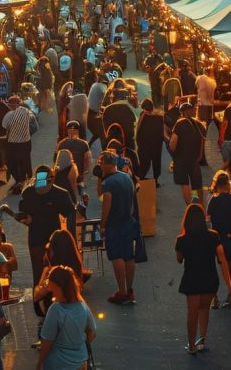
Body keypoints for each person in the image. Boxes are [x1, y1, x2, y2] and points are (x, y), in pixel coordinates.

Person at [176, 203, 231, 355]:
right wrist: (230, 287)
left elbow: (179, 259)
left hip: (192, 278)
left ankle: (191, 345)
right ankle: (202, 339)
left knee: (192, 313)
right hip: (210, 278)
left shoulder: (182, 239)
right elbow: (222, 259)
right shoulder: (213, 236)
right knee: (204, 309)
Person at [14, 165, 77, 285]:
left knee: (54, 275)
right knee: (39, 276)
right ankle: (39, 295)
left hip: (54, 240)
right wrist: (26, 220)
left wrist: (70, 237)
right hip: (37, 240)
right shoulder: (28, 193)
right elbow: (23, 214)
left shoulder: (60, 194)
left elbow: (71, 214)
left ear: (53, 179)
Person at [98, 151, 139, 305]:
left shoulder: (108, 183)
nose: (100, 166)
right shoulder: (126, 178)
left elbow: (106, 205)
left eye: (101, 163)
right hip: (128, 221)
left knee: (117, 256)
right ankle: (130, 290)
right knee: (129, 256)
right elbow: (132, 203)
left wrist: (102, 225)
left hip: (114, 224)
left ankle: (122, 292)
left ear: (107, 165)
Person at [36, 266, 96, 370]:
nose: (53, 294)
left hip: (59, 363)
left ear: (60, 287)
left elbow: (47, 341)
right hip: (81, 362)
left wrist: (40, 362)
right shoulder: (83, 307)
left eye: (53, 290)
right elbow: (93, 331)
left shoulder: (56, 309)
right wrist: (77, 345)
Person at [205, 171, 231, 309]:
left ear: (216, 185)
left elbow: (208, 221)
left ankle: (214, 298)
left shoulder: (212, 201)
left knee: (214, 270)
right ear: (229, 184)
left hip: (217, 240)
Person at [168, 102, 205, 206]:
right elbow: (203, 139)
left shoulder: (179, 123)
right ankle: (201, 205)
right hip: (194, 158)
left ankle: (190, 206)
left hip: (181, 158)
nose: (194, 110)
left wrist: (173, 154)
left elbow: (173, 142)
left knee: (184, 182)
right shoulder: (197, 123)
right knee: (197, 182)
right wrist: (199, 155)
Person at [2, 95, 37, 194]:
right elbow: (33, 122)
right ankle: (27, 179)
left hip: (13, 143)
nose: (9, 107)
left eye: (9, 105)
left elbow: (4, 125)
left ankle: (18, 181)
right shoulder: (26, 111)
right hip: (26, 142)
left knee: (13, 162)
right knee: (25, 161)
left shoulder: (9, 114)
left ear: (12, 105)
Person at [57, 120, 92, 197]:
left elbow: (56, 161)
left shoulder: (61, 144)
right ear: (78, 131)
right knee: (81, 193)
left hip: (64, 176)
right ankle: (82, 199)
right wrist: (85, 171)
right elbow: (87, 160)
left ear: (67, 131)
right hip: (78, 176)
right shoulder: (84, 144)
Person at [135, 98, 165, 186]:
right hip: (156, 144)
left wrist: (138, 142)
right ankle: (155, 180)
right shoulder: (160, 118)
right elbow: (162, 132)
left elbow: (138, 130)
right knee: (156, 162)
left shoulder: (143, 116)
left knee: (144, 163)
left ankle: (140, 179)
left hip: (145, 144)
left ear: (143, 107)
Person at [102, 87, 137, 152]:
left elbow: (106, 130)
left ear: (115, 98)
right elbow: (134, 131)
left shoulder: (107, 109)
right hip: (128, 147)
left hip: (111, 146)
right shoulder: (132, 110)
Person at [87, 73, 107, 150]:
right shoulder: (101, 86)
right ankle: (105, 151)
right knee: (101, 134)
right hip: (93, 114)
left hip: (89, 113)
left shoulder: (94, 85)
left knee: (97, 133)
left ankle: (88, 146)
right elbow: (104, 93)